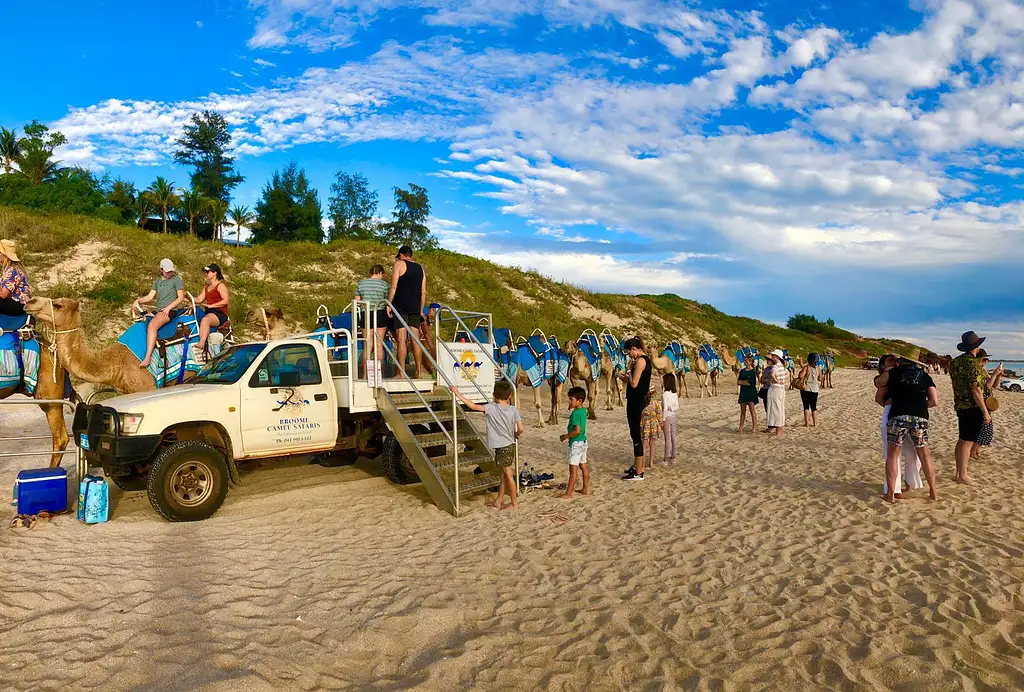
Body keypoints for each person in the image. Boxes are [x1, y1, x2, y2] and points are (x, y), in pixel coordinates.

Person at [450, 380, 523, 510]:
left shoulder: (491, 408)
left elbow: (472, 406)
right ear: (510, 395)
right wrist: (516, 434)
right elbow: (521, 428)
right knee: (503, 474)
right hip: (510, 444)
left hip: (501, 446)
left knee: (508, 474)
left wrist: (457, 393)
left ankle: (514, 503)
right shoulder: (513, 409)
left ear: (495, 394)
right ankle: (499, 501)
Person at [878, 357, 938, 502]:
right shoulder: (925, 375)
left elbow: (878, 384)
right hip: (920, 417)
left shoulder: (893, 373)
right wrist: (920, 406)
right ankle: (933, 492)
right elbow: (934, 401)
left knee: (893, 455)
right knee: (924, 455)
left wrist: (887, 371)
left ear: (900, 362)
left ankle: (890, 495)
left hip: (898, 416)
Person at [874, 354, 922, 497]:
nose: (894, 362)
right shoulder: (886, 378)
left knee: (912, 453)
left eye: (895, 360)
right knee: (895, 454)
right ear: (882, 365)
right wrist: (890, 405)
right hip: (893, 413)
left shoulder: (903, 375)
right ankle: (895, 489)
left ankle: (909, 485)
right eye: (890, 360)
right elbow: (878, 398)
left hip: (906, 412)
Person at [950, 331, 988, 485]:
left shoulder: (955, 362)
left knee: (962, 440)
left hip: (960, 404)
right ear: (976, 347)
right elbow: (976, 390)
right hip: (972, 406)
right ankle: (962, 475)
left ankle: (959, 473)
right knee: (967, 441)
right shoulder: (972, 363)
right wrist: (985, 411)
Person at [135, 259, 185, 368]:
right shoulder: (157, 282)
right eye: (167, 271)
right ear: (161, 270)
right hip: (158, 310)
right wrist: (138, 301)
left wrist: (168, 308)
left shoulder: (176, 279)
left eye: (171, 271)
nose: (170, 273)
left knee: (152, 326)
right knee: (141, 321)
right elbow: (149, 297)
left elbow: (180, 297)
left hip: (170, 310)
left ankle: (148, 357)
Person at [387, 246, 427, 379]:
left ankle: (401, 373)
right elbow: (423, 291)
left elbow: (393, 286)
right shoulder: (420, 268)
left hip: (401, 306)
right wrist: (420, 310)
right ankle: (419, 373)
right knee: (415, 340)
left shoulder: (399, 264)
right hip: (415, 307)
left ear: (401, 255)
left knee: (402, 340)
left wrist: (389, 303)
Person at [621, 336, 652, 481]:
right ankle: (637, 466)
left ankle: (639, 472)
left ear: (634, 349)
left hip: (636, 401)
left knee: (636, 436)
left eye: (629, 353)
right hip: (637, 399)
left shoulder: (640, 361)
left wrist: (627, 376)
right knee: (636, 435)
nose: (629, 356)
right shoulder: (643, 360)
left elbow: (634, 383)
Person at [355, 264, 390, 378]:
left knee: (367, 345)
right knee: (379, 345)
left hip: (366, 313)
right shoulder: (384, 285)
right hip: (380, 313)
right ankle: (378, 374)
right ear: (380, 273)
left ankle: (365, 375)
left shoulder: (361, 283)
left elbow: (358, 301)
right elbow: (387, 301)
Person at [558, 386, 590, 499]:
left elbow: (577, 430)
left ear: (579, 401)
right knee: (583, 465)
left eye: (571, 399)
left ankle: (568, 493)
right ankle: (585, 489)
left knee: (573, 469)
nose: (569, 401)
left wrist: (566, 436)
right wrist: (573, 406)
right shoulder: (583, 411)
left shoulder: (576, 414)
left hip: (576, 443)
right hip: (583, 442)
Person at [195, 263, 229, 360]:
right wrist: (188, 297)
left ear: (214, 273)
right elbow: (199, 299)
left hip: (219, 313)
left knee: (205, 320)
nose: (206, 274)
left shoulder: (220, 285)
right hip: (210, 312)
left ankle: (201, 343)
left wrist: (211, 305)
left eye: (208, 272)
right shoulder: (206, 287)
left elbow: (225, 301)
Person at [973, 349, 1002, 460]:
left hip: (986, 403)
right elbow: (985, 388)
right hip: (981, 402)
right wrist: (994, 373)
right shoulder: (976, 372)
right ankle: (973, 452)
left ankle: (976, 451)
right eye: (984, 359)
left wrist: (998, 375)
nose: (985, 362)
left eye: (986, 360)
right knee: (983, 428)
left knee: (986, 429)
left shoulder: (983, 371)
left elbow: (994, 385)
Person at [0, 239, 30, 317]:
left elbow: (4, 294)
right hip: (16, 303)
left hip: (18, 304)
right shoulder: (11, 269)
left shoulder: (12, 271)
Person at [640, 384, 664, 471]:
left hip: (645, 425)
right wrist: (661, 424)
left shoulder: (642, 403)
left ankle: (641, 464)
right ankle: (651, 463)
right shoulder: (656, 403)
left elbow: (640, 415)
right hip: (653, 424)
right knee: (652, 444)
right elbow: (659, 415)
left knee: (644, 445)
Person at [765, 349, 788, 436]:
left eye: (774, 355)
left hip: (775, 389)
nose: (772, 357)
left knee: (775, 409)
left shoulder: (775, 366)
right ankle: (780, 428)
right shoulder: (783, 366)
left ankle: (777, 429)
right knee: (780, 408)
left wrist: (776, 381)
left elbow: (772, 375)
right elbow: (787, 373)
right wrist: (781, 380)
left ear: (777, 357)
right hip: (781, 389)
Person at [799, 353, 823, 427]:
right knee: (814, 407)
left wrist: (801, 372)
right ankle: (815, 424)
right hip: (815, 390)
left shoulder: (806, 367)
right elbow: (820, 379)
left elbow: (800, 376)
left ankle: (807, 424)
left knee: (806, 406)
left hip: (806, 389)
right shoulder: (818, 368)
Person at [737, 355, 759, 433]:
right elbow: (738, 382)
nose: (745, 362)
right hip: (743, 392)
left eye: (746, 361)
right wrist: (745, 382)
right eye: (744, 360)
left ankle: (754, 427)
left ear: (750, 362)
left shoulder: (753, 371)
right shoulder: (742, 371)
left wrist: (744, 382)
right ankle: (741, 427)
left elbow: (752, 383)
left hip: (751, 392)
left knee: (752, 410)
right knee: (742, 411)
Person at [662, 373, 679, 464]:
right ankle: (673, 457)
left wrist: (663, 419)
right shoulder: (674, 394)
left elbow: (664, 408)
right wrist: (672, 408)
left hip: (667, 417)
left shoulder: (665, 394)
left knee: (667, 438)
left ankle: (666, 458)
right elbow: (677, 406)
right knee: (673, 437)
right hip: (673, 416)